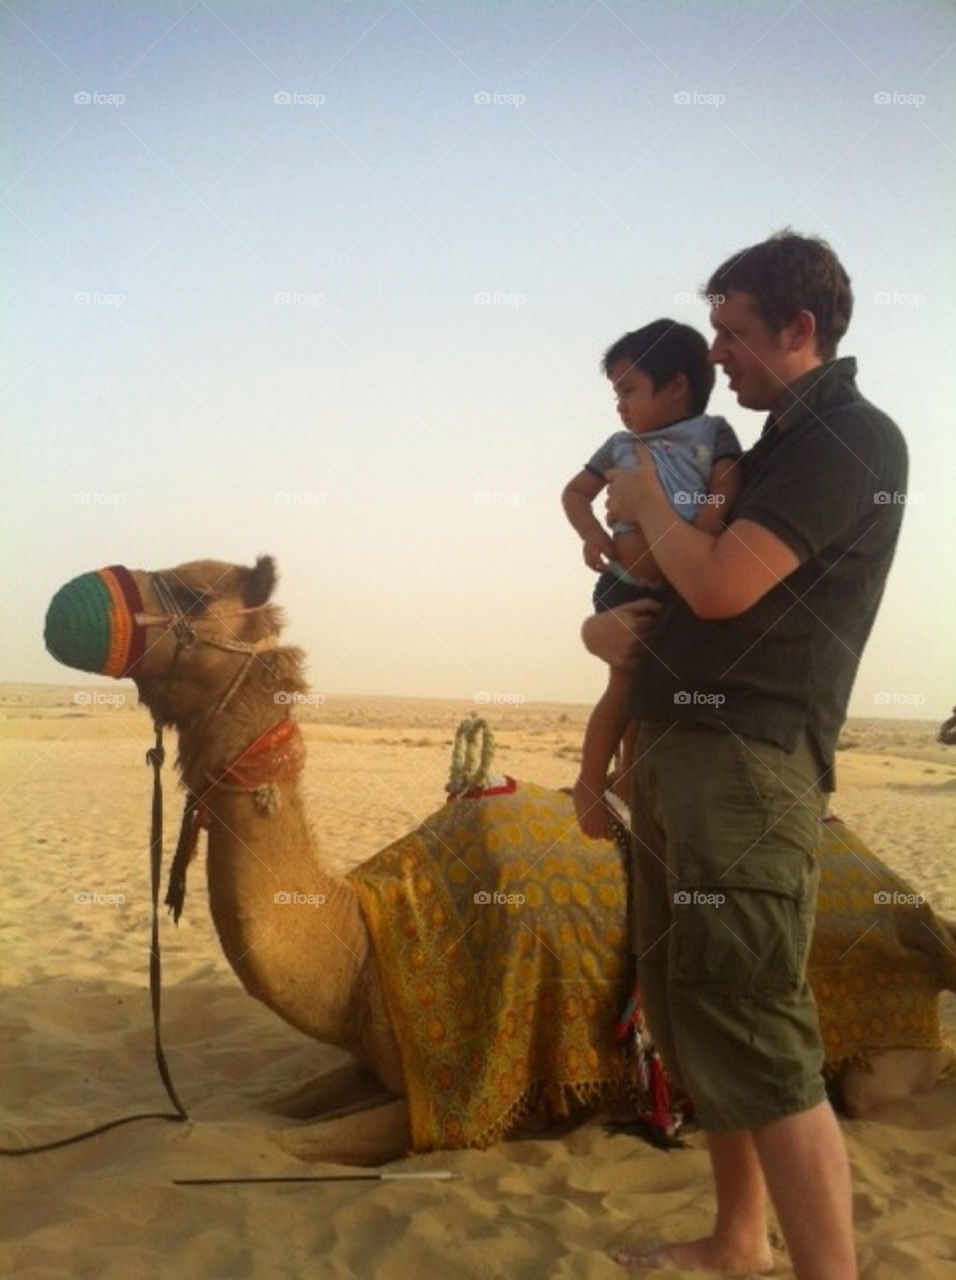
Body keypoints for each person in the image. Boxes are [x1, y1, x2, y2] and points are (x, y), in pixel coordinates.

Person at [595, 231, 907, 1279]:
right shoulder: (769, 443)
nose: (715, 352)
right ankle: (737, 1235)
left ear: (798, 328)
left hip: (746, 765)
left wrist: (640, 504)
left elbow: (722, 582)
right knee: (687, 1000)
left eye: (731, 332)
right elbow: (687, 593)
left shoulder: (850, 442)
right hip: (682, 757)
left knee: (753, 1015)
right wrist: (612, 634)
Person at [561, 320, 742, 839]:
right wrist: (593, 533)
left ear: (677, 386)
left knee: (651, 701)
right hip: (626, 582)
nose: (620, 406)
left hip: (679, 589)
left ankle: (630, 784)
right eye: (616, 394)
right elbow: (574, 493)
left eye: (629, 390)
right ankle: (590, 784)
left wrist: (707, 525)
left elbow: (728, 479)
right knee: (623, 683)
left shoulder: (713, 434)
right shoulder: (618, 444)